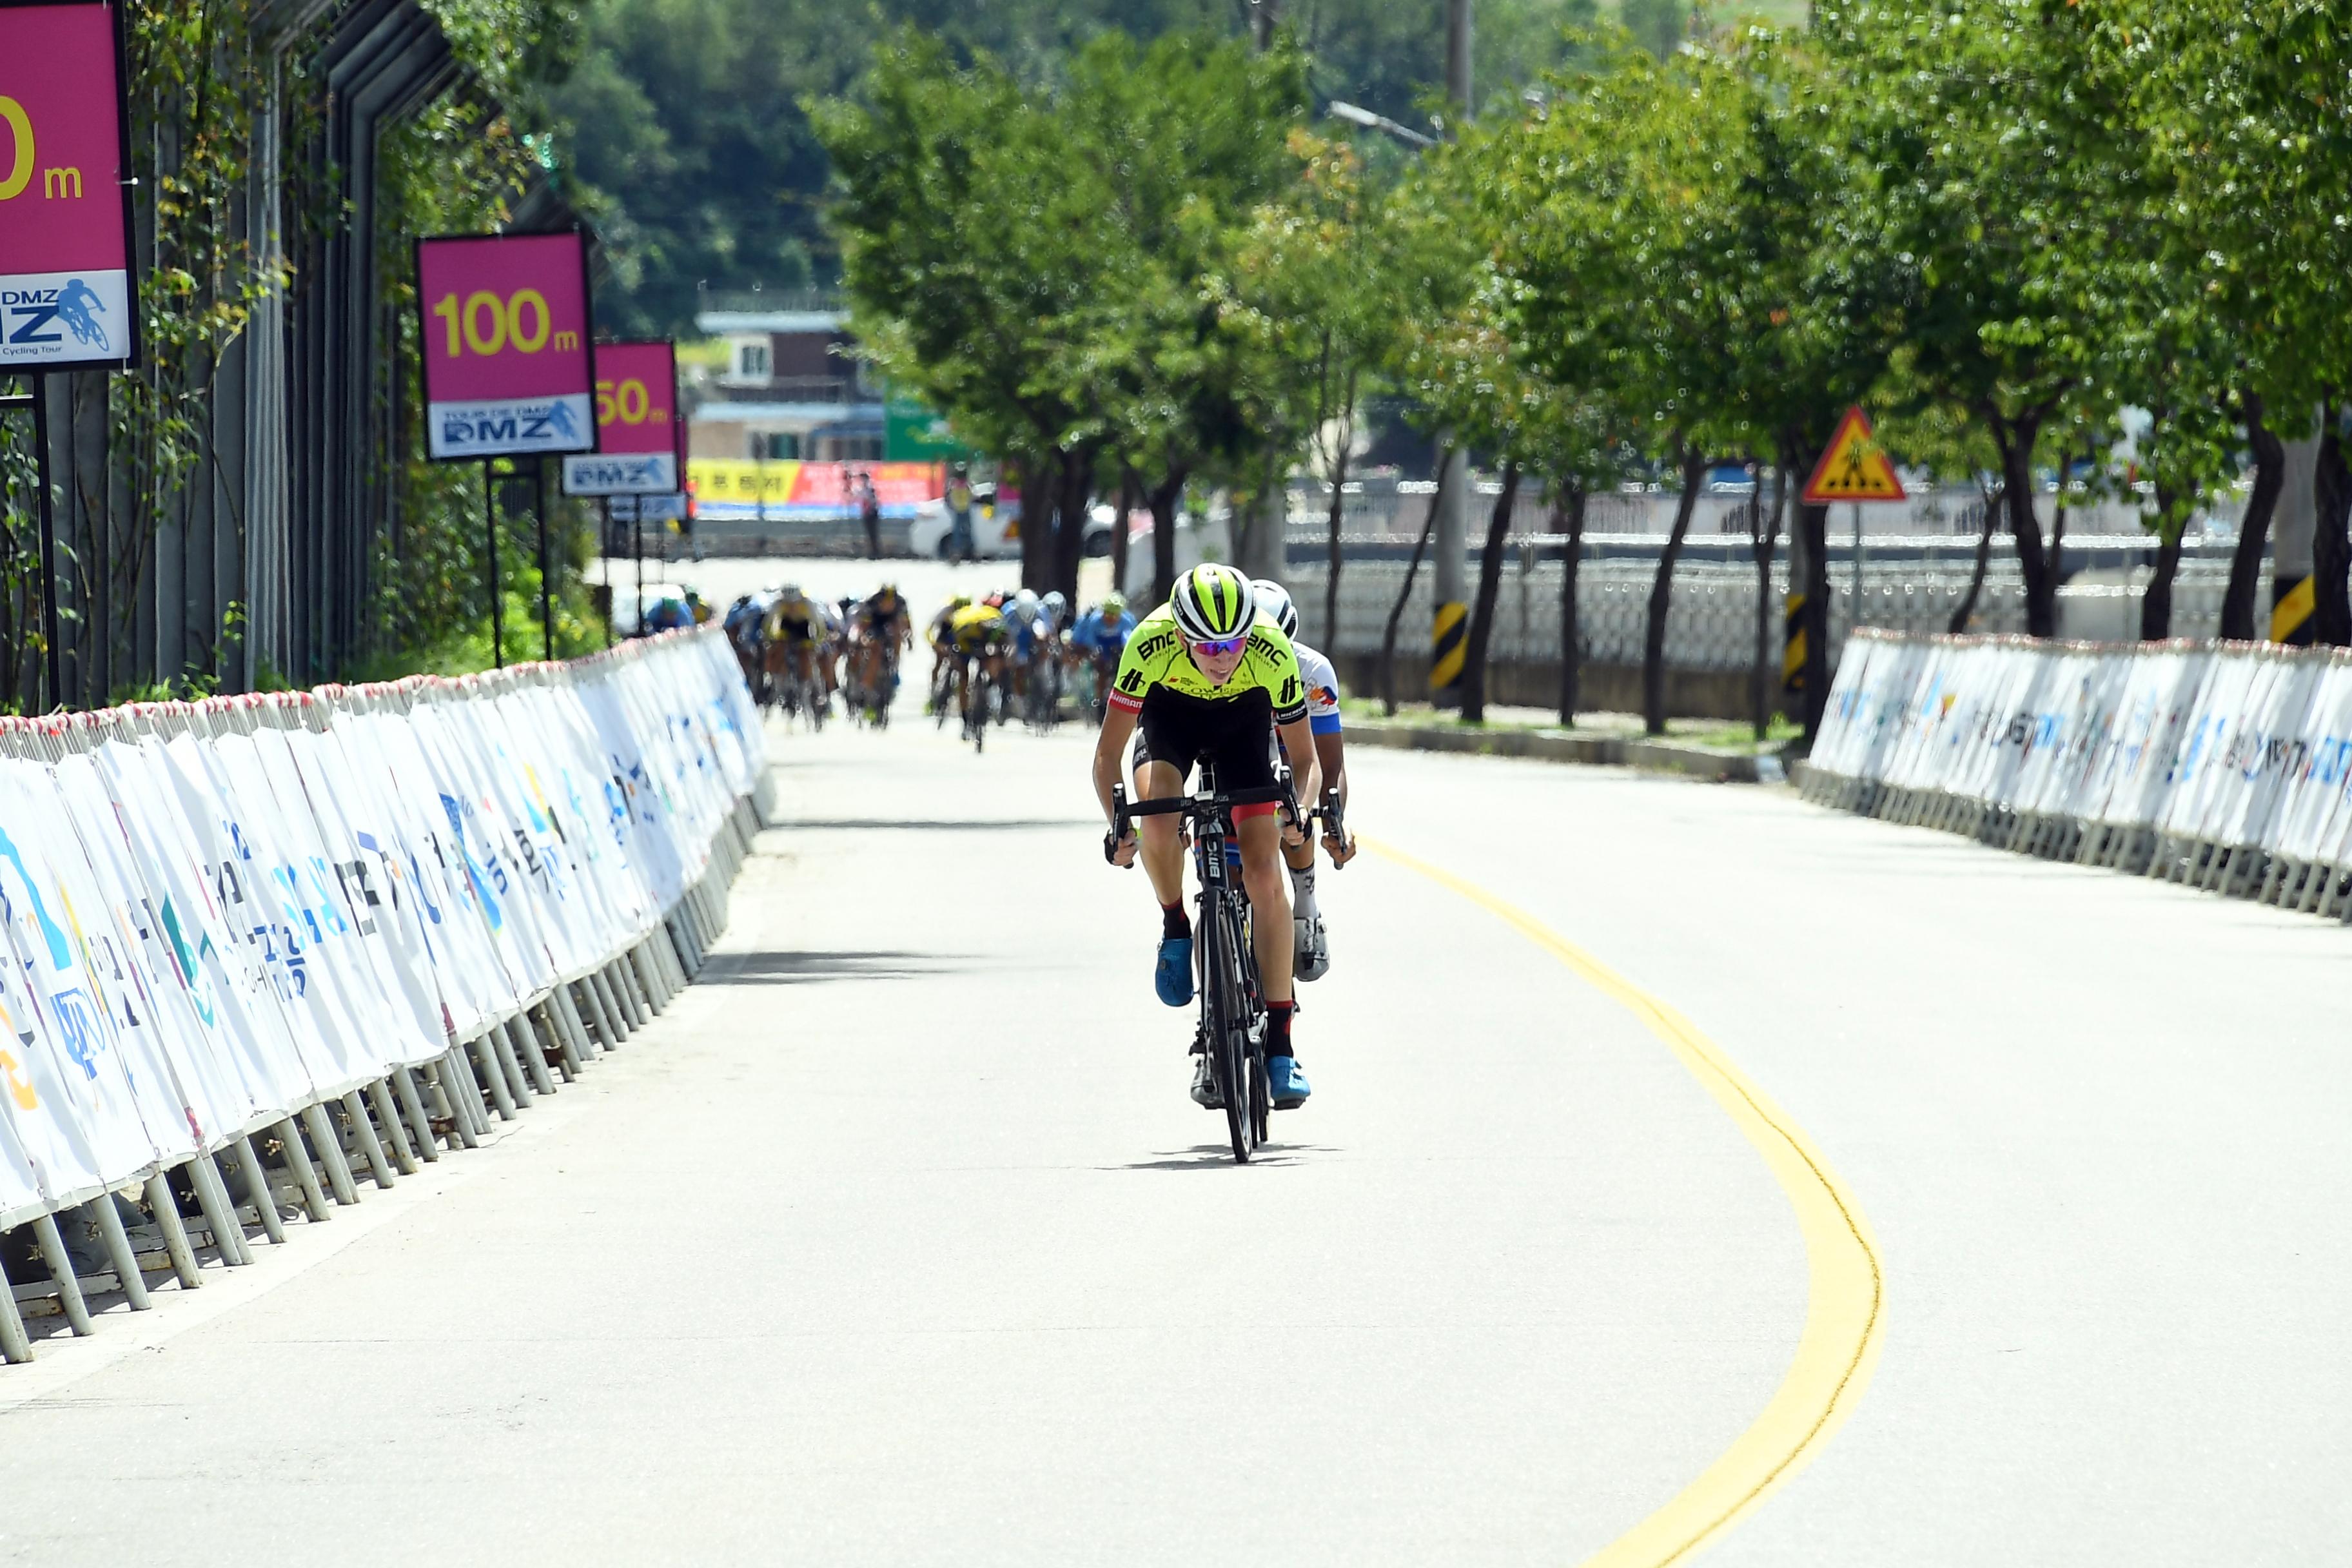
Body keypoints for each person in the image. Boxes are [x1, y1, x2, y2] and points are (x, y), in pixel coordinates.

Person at [1092, 564, 1321, 1111]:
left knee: (1266, 876)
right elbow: (1107, 757)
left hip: (1244, 727)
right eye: (1210, 646)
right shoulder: (1148, 645)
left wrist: (1303, 813)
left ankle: (1282, 1045)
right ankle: (1175, 923)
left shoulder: (1269, 649)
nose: (1224, 657)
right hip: (1172, 721)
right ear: (1181, 636)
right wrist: (1116, 825)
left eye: (1234, 643)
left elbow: (1306, 760)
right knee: (1158, 823)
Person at [1249, 579, 1357, 981]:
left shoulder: (1314, 672)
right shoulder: (1220, 662)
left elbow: (1330, 765)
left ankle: (1306, 902)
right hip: (1245, 756)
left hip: (1292, 761)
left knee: (1294, 801)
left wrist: (1333, 820)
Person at [1068, 591, 1137, 718]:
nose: (1110, 619)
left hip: (1118, 644)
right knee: (1101, 671)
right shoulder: (1095, 621)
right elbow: (1091, 641)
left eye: (1114, 616)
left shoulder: (1127, 621)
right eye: (1107, 614)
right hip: (1101, 645)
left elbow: (1131, 640)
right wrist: (1096, 655)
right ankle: (1100, 701)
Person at [946, 465, 975, 562]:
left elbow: (948, 498)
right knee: (965, 532)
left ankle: (959, 553)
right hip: (963, 510)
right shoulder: (964, 485)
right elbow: (971, 496)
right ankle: (966, 552)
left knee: (959, 533)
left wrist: (952, 507)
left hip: (959, 510)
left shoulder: (953, 485)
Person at [858, 471, 883, 560]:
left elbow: (872, 500)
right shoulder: (863, 489)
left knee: (873, 534)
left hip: (871, 513)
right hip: (867, 513)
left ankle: (875, 552)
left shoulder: (869, 488)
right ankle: (873, 551)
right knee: (870, 534)